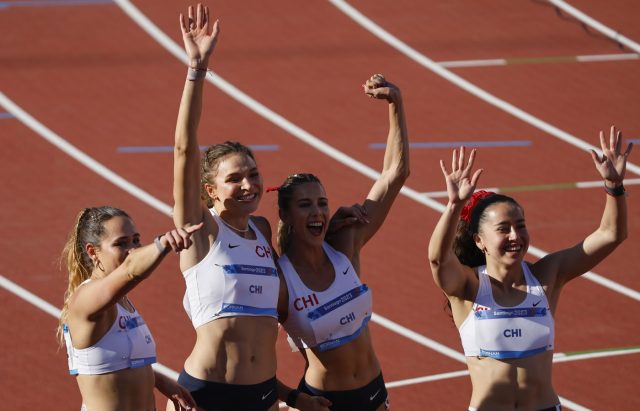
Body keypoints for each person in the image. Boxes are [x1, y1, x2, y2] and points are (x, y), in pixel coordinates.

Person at [171, 4, 330, 410]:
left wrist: (292, 396)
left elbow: (260, 335)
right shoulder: (199, 228)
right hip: (207, 395)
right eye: (234, 179)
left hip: (263, 397)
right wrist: (197, 70)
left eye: (254, 175)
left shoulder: (261, 229)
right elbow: (185, 149)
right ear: (208, 189)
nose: (248, 185)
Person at [427, 126, 632, 410]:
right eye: (504, 229)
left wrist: (614, 187)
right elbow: (438, 259)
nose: (515, 236)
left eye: (520, 226)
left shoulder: (546, 277)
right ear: (479, 240)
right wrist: (453, 205)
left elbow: (612, 234)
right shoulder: (468, 287)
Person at [272, 73, 409, 411]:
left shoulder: (345, 245)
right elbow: (248, 356)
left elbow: (395, 174)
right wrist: (292, 399)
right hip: (324, 403)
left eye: (322, 203)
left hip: (375, 392)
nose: (317, 212)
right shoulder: (279, 279)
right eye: (305, 205)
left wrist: (396, 104)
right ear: (286, 216)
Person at [57, 206, 201, 411]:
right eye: (121, 243)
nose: (133, 250)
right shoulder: (86, 299)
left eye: (135, 240)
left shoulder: (122, 301)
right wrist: (163, 243)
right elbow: (131, 269)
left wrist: (159, 381)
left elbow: (120, 363)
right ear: (92, 252)